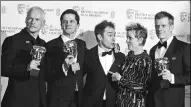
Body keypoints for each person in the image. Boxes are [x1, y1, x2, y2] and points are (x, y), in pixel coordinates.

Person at [1, 6, 47, 107]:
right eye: (30, 18)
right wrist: (26, 67)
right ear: (26, 20)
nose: (33, 22)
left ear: (43, 23)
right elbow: (3, 69)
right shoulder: (13, 41)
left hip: (38, 101)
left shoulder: (43, 44)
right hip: (17, 100)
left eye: (37, 19)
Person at [147, 11, 190, 107]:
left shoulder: (184, 48)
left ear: (171, 27)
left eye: (163, 26)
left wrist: (173, 78)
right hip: (153, 102)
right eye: (157, 26)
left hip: (173, 103)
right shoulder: (153, 50)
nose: (159, 29)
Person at [45, 9, 86, 107]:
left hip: (78, 98)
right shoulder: (50, 46)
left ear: (78, 25)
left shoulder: (82, 45)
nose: (68, 24)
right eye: (65, 21)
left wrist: (112, 49)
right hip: (58, 99)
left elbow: (92, 61)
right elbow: (46, 74)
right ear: (61, 24)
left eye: (72, 21)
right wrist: (64, 67)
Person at [83, 20, 125, 107]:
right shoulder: (88, 55)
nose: (113, 38)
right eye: (110, 35)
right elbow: (78, 77)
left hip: (114, 103)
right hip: (91, 103)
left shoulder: (121, 57)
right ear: (100, 37)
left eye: (114, 35)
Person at [111, 22, 152, 107]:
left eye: (130, 38)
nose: (127, 40)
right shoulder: (128, 56)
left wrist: (120, 79)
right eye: (127, 37)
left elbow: (142, 87)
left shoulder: (146, 60)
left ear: (140, 40)